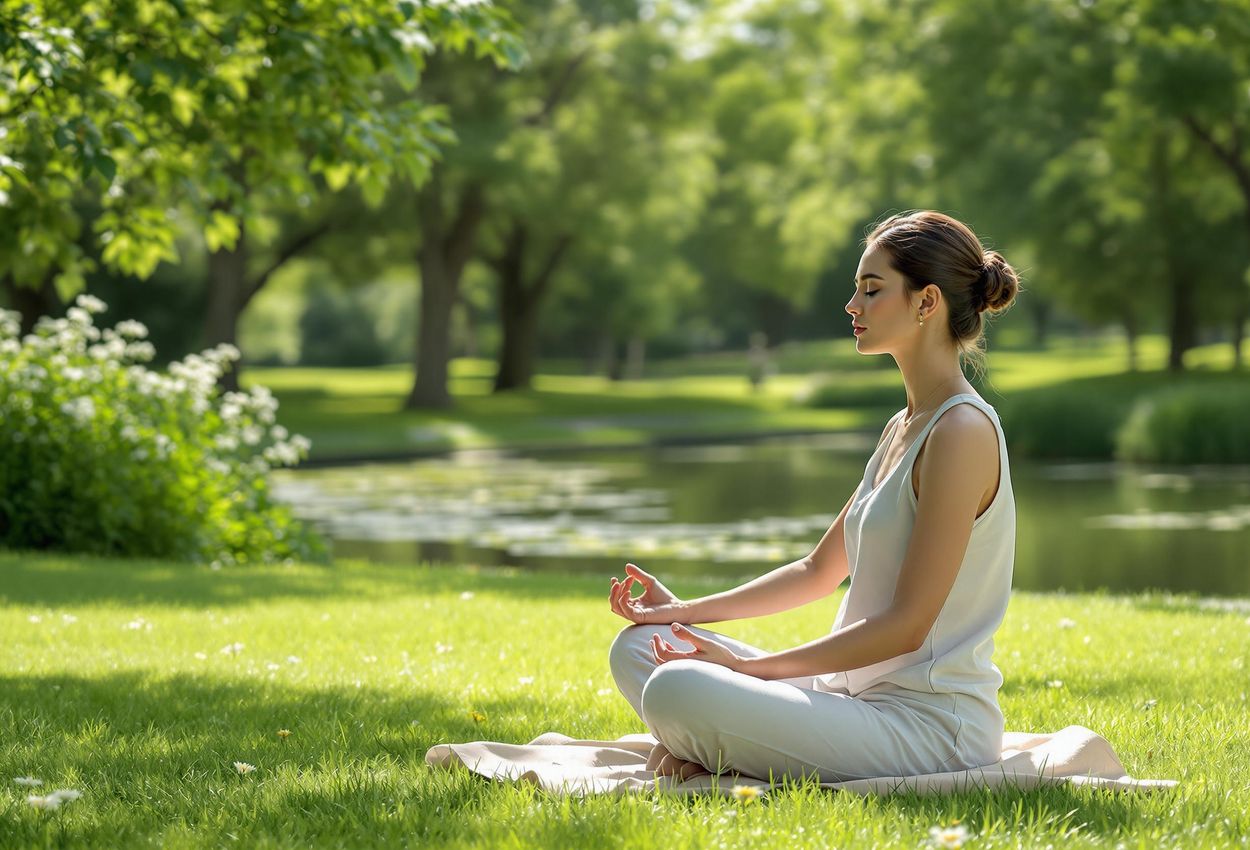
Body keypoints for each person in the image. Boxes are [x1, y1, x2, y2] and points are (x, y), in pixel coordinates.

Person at [607, 210, 1022, 785]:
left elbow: (907, 627)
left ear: (927, 303)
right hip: (849, 702)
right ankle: (714, 743)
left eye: (871, 291)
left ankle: (709, 744)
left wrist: (752, 669)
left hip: (927, 728)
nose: (852, 307)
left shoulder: (961, 432)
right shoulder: (904, 426)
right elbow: (818, 570)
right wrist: (680, 612)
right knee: (641, 646)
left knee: (678, 685)